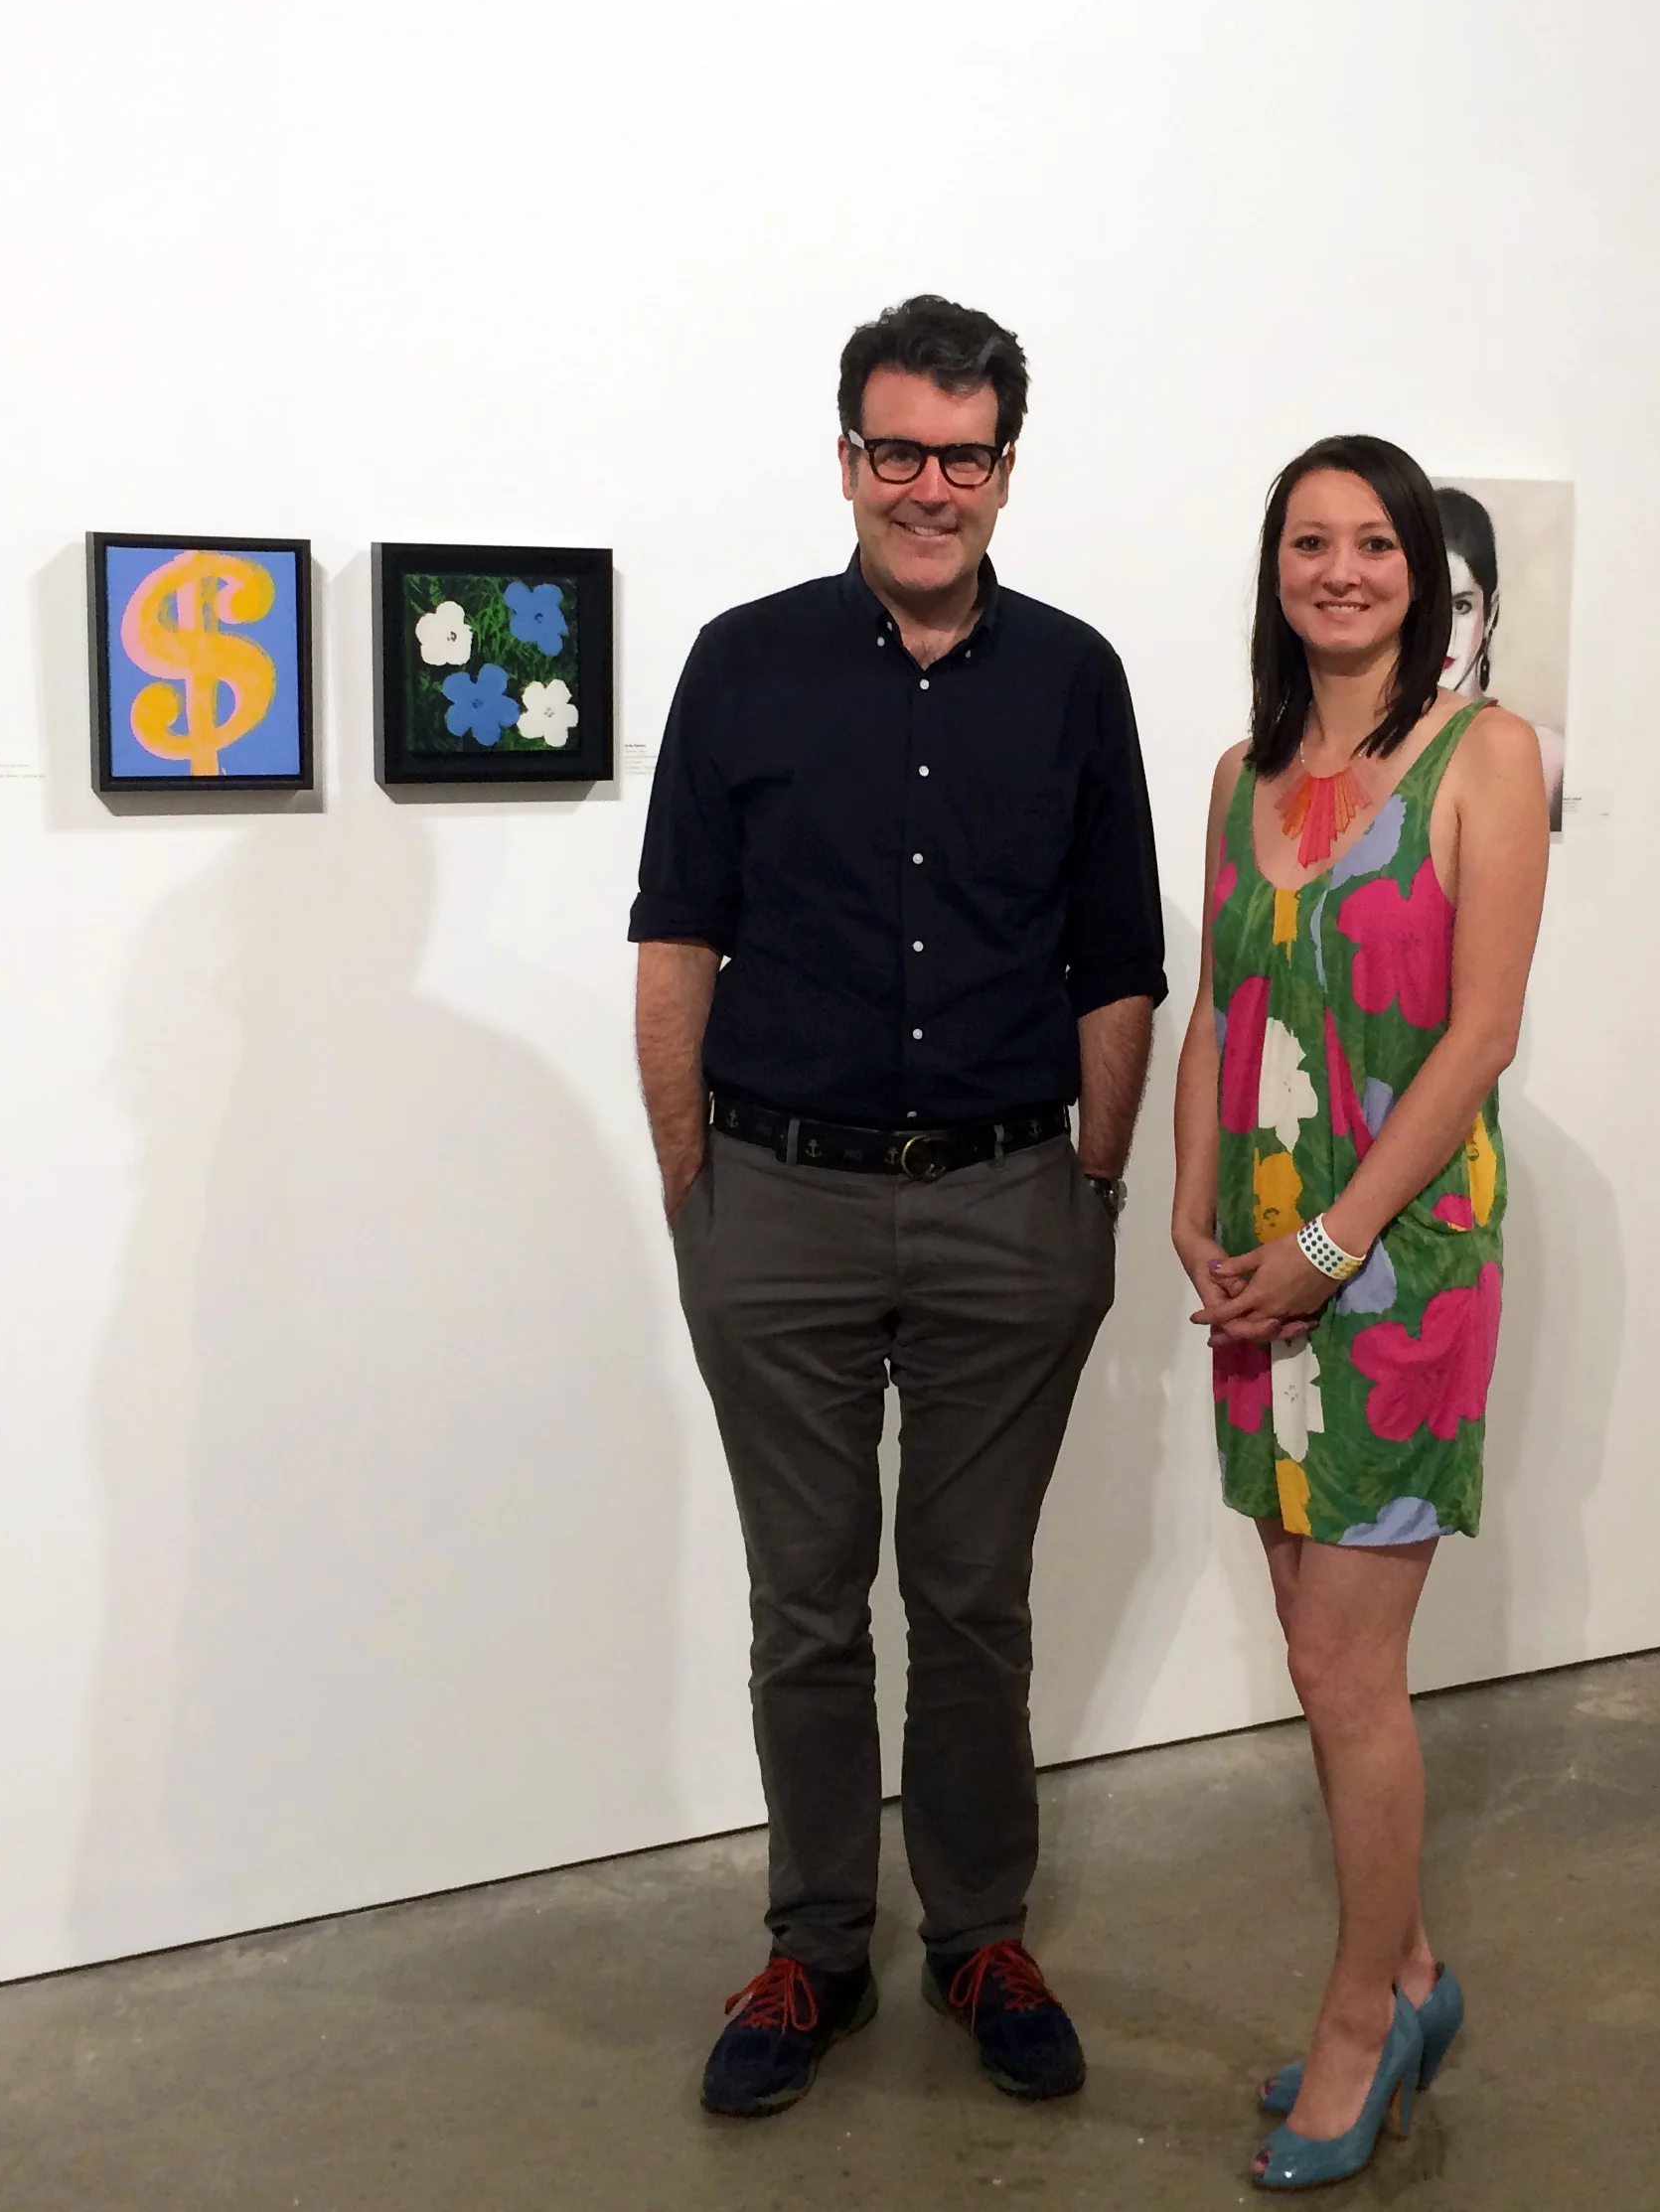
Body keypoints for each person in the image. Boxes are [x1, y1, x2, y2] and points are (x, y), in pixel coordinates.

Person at [631, 293, 1165, 2118]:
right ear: (844, 454)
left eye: (962, 453)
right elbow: (675, 934)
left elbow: (1117, 962)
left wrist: (1090, 1192)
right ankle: (815, 1945)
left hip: (1011, 1201)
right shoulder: (740, 661)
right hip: (773, 1198)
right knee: (802, 1600)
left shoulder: (1074, 677)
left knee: (971, 1597)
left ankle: (979, 1931)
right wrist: (694, 1195)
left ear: (1004, 469)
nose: (926, 485)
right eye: (894, 449)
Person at [1170, 436, 1549, 2190]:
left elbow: (1477, 1034)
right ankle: (1409, 1968)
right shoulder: (1240, 766)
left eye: (1372, 540)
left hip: (1393, 1267)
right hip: (1260, 1262)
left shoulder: (1485, 756)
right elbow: (1213, 1007)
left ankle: (1357, 2014)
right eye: (1307, 541)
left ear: (1421, 568)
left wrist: (1328, 1239)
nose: (1338, 568)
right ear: (1275, 567)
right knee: (1318, 1661)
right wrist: (1186, 1196)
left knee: (1343, 1666)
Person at [1435, 485, 1566, 825]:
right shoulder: (1373, 751)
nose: (1442, 632)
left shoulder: (1545, 755)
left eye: (1460, 606)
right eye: (1425, 608)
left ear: (1490, 614)